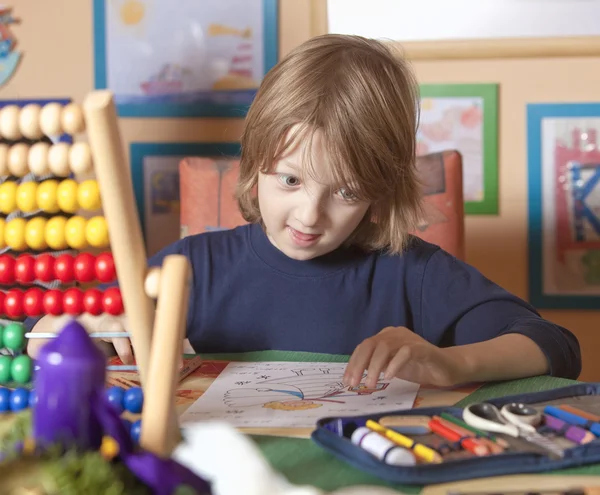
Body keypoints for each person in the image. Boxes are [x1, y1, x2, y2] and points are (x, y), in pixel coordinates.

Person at [27, 34, 581, 388]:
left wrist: (450, 364)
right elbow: (38, 331)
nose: (309, 216)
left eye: (345, 192)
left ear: (379, 193)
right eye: (289, 180)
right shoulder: (192, 268)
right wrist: (74, 325)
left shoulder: (413, 273)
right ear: (254, 167)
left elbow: (556, 346)